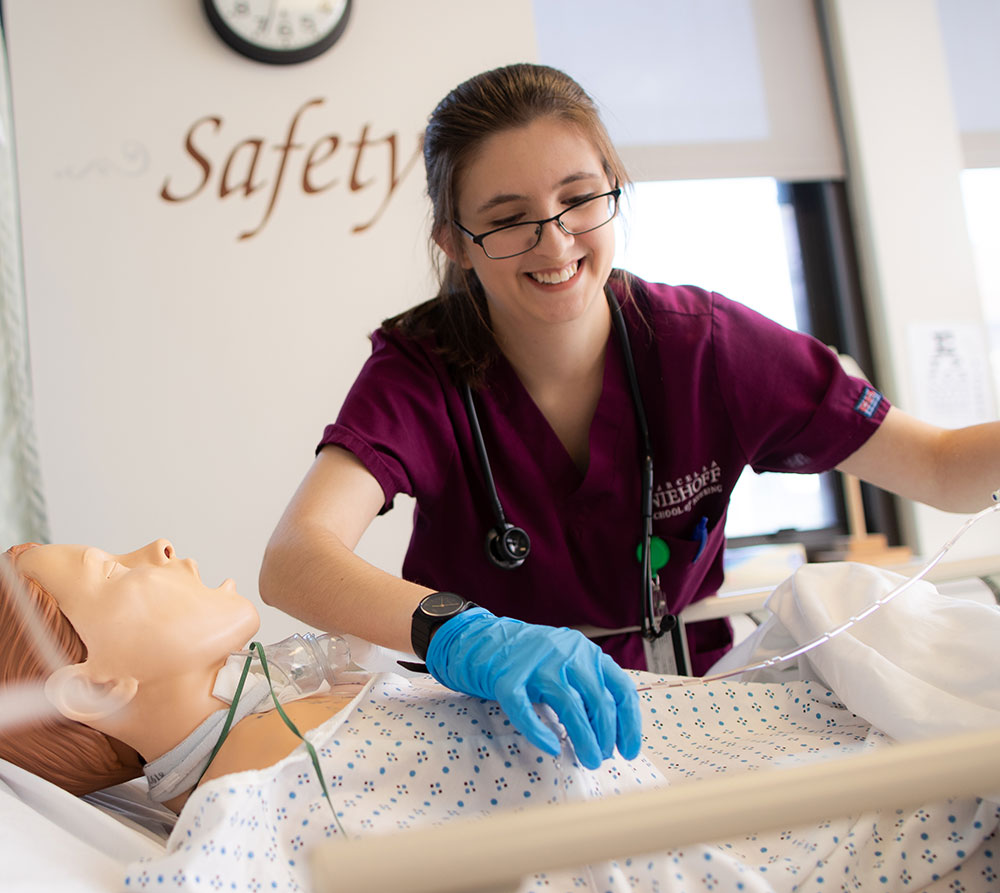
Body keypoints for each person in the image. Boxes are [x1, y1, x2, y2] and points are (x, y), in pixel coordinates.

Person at [258, 62, 1000, 761]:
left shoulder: (707, 347)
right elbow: (295, 560)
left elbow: (939, 467)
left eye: (578, 198)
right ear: (455, 242)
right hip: (490, 731)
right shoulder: (420, 371)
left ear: (614, 188)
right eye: (509, 217)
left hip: (691, 705)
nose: (555, 240)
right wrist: (469, 637)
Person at [1, 536, 997, 893]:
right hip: (927, 828)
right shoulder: (297, 813)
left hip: (853, 731)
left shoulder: (291, 708)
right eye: (110, 568)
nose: (157, 544)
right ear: (94, 688)